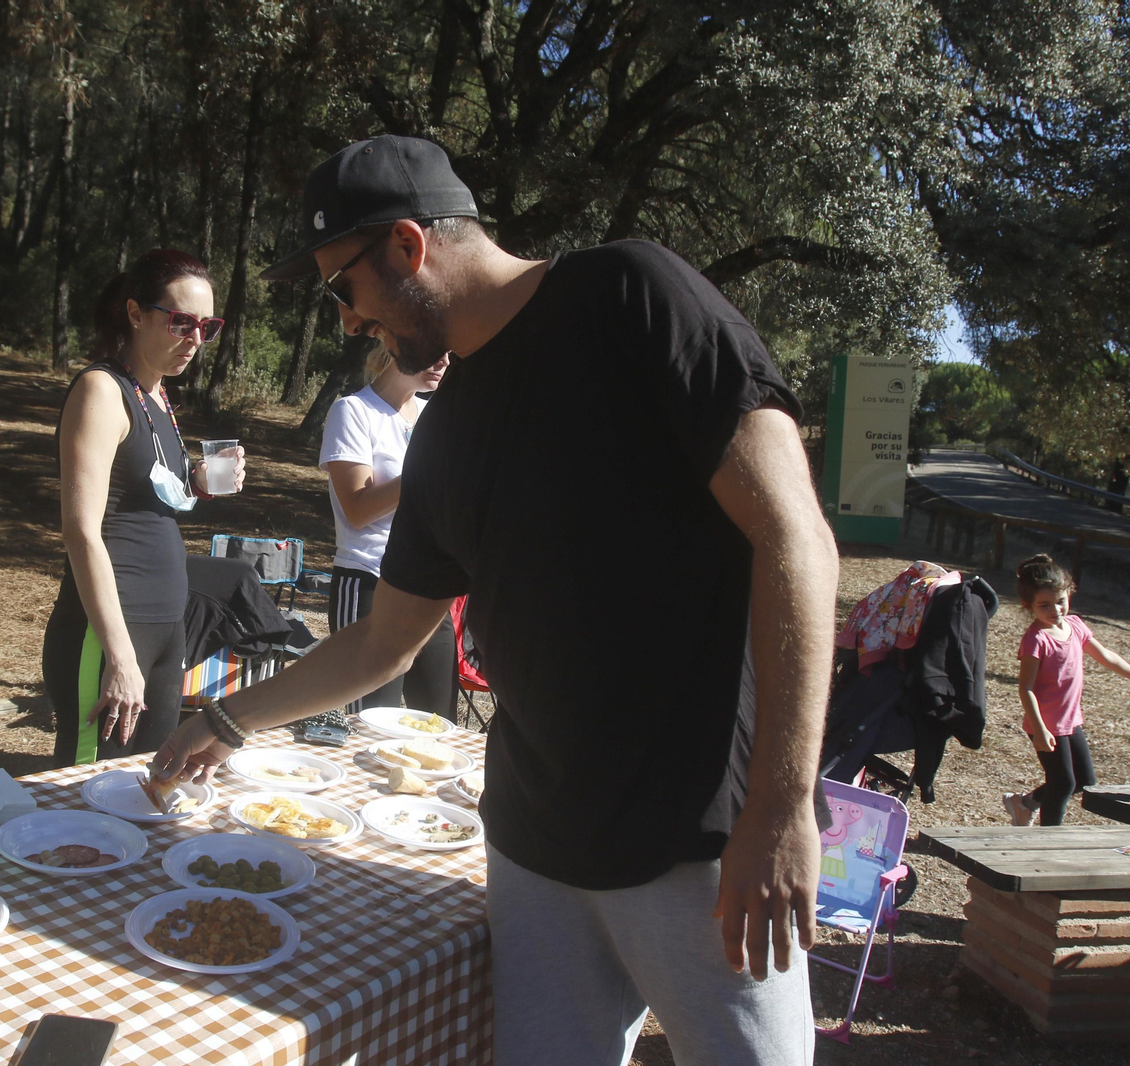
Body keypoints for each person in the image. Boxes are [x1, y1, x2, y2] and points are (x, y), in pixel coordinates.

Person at [154, 135, 837, 1066]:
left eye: (342, 288)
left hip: (699, 842)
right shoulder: (446, 432)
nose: (347, 322)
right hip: (534, 851)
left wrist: (784, 807)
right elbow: (382, 643)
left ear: (407, 246)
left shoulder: (632, 296)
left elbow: (793, 538)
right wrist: (227, 718)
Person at [42, 249, 242, 768]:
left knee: (150, 782)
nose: (195, 340)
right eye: (181, 322)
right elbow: (81, 531)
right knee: (88, 791)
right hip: (109, 631)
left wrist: (198, 483)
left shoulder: (156, 395)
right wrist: (120, 654)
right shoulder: (101, 390)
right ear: (135, 313)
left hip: (165, 625)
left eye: (207, 327)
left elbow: (145, 493)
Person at [320, 346, 456, 718]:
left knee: (438, 725)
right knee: (370, 723)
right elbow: (358, 510)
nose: (444, 361)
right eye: (433, 349)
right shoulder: (353, 411)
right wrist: (424, 472)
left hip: (428, 588)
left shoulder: (433, 415)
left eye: (449, 352)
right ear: (395, 344)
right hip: (370, 582)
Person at [1000, 554, 1130, 827]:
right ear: (1027, 605)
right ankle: (1048, 838)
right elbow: (1026, 688)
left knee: (1085, 781)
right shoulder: (1036, 640)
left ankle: (1024, 804)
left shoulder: (1075, 626)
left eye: (1060, 601)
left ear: (1069, 593)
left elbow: (1106, 656)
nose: (1055, 610)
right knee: (1063, 783)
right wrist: (1039, 729)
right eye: (1044, 605)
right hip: (1046, 723)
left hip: (1070, 720)